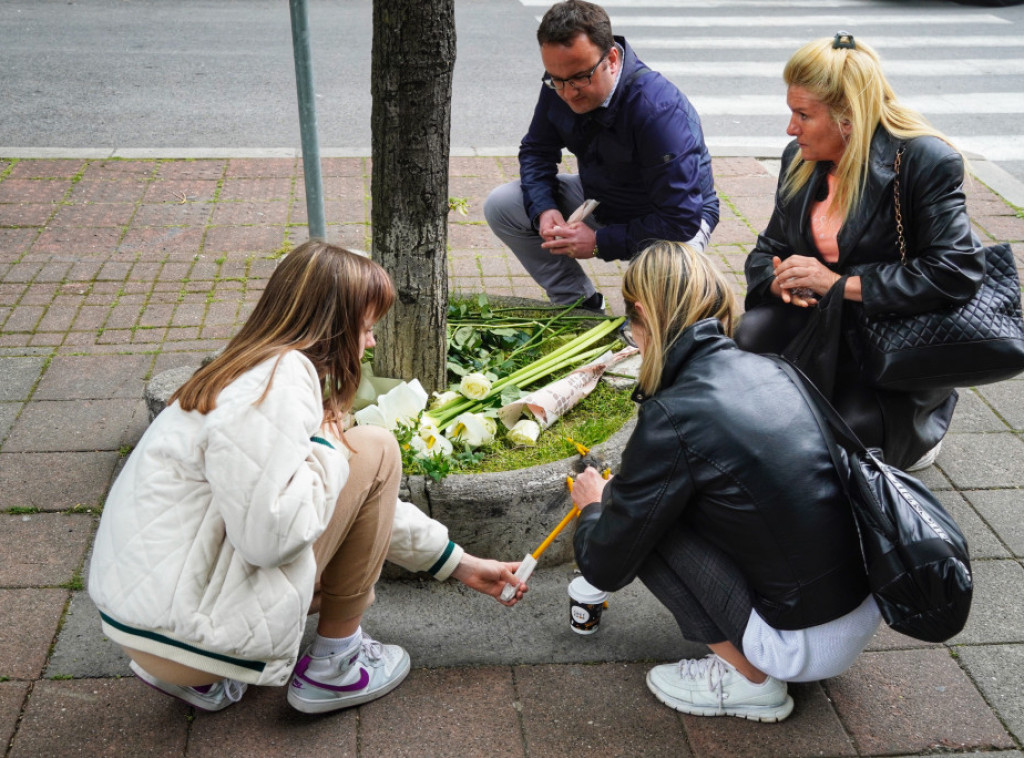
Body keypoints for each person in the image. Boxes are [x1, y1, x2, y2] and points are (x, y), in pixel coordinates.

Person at [88, 241, 526, 715]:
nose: (372, 342)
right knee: (376, 446)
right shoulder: (282, 378)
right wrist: (330, 443)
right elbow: (271, 539)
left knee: (356, 459)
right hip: (190, 641)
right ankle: (336, 666)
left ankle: (206, 681)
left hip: (150, 628)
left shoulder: (243, 367)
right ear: (335, 326)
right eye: (367, 327)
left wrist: (458, 563)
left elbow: (352, 502)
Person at [570, 241, 880, 723]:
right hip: (860, 608)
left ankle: (749, 680)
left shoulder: (674, 416)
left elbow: (605, 567)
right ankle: (760, 652)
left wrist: (595, 507)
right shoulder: (773, 367)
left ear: (641, 315)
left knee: (640, 523)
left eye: (630, 324)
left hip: (803, 642)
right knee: (678, 497)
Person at [736, 32, 985, 471]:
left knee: (849, 440)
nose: (791, 128)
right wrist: (779, 280)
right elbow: (767, 248)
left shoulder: (924, 159)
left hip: (891, 338)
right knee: (746, 339)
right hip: (822, 323)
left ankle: (922, 427)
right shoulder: (800, 157)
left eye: (802, 115)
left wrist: (838, 284)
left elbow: (956, 271)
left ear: (847, 116)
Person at [484, 0, 719, 313]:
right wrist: (544, 208)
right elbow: (537, 151)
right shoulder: (561, 80)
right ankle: (580, 306)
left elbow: (681, 218)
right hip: (604, 195)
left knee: (656, 309)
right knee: (503, 205)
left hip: (676, 215)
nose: (568, 93)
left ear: (611, 58)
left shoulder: (658, 109)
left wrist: (598, 242)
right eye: (557, 79)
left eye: (580, 78)